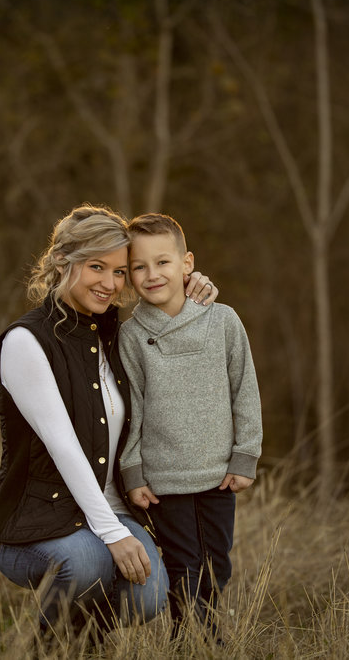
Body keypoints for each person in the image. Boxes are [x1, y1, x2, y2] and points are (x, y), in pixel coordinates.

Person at [0, 204, 219, 640]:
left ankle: (82, 646)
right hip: (34, 521)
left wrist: (189, 287)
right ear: (61, 263)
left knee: (150, 595)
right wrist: (112, 533)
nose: (110, 284)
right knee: (90, 563)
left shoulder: (113, 334)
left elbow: (168, 329)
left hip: (109, 509)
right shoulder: (25, 341)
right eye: (96, 267)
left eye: (120, 271)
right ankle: (48, 649)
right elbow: (63, 444)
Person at [118, 212, 263, 640]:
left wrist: (246, 454)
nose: (151, 274)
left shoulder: (223, 321)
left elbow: (245, 389)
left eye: (162, 262)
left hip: (218, 473)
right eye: (139, 267)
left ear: (187, 264)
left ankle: (211, 637)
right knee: (182, 564)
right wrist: (133, 470)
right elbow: (132, 410)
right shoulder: (131, 335)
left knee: (217, 561)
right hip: (164, 478)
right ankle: (187, 640)